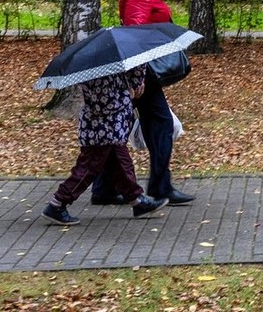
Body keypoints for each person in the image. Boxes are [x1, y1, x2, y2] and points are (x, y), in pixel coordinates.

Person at [90, 0, 195, 207]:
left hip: (141, 72)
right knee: (159, 124)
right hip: (141, 73)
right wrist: (135, 79)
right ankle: (159, 186)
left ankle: (104, 188)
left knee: (121, 126)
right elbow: (133, 37)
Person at [42, 64, 168, 225]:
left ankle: (137, 200)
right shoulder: (108, 63)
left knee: (121, 164)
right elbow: (110, 96)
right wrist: (135, 83)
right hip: (106, 126)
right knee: (88, 167)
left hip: (102, 124)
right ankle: (58, 202)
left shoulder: (89, 64)